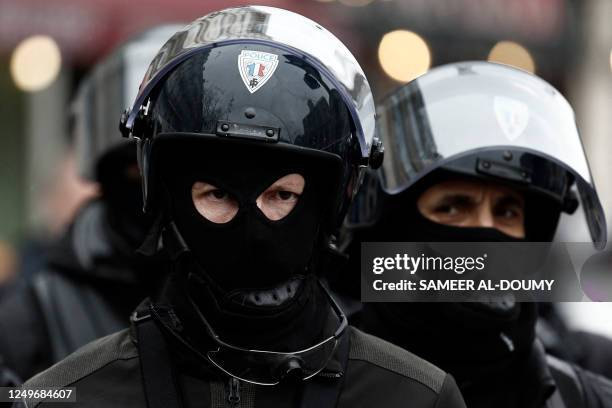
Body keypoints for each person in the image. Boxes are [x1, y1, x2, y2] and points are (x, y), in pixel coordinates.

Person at [16, 7, 466, 408]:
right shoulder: (63, 394)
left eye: (282, 195)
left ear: (332, 203)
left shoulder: (418, 396)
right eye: (217, 194)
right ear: (164, 195)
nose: (252, 231)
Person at [344, 61, 612, 407]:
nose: (484, 232)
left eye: (506, 212)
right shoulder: (324, 382)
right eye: (454, 207)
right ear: (392, 228)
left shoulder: (584, 399)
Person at [0, 25, 179, 383]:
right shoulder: (38, 310)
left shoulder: (271, 297)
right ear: (104, 173)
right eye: (135, 170)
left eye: (174, 174)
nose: (152, 193)